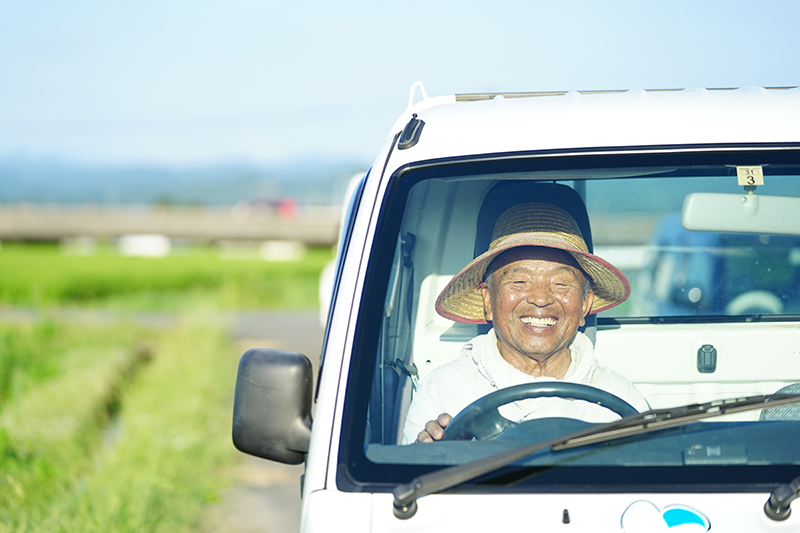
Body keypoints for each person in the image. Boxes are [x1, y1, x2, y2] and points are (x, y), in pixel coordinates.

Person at [402, 201, 649, 444]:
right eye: (520, 282)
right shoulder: (444, 390)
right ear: (488, 300)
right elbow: (412, 482)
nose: (541, 298)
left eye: (561, 284)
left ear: (585, 304)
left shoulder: (619, 397)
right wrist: (430, 456)